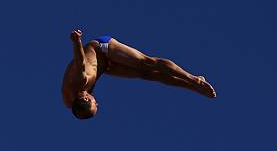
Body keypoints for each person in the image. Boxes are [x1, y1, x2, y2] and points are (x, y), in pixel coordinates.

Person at [61, 29, 216, 119]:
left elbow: (80, 61)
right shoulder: (72, 104)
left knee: (146, 62)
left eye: (95, 104)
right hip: (105, 67)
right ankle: (192, 87)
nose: (98, 103)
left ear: (85, 97)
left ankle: (193, 79)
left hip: (102, 49)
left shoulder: (80, 81)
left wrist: (76, 41)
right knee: (147, 75)